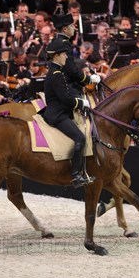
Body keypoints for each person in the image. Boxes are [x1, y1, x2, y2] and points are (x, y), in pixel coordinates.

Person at [42, 37, 94, 188]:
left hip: (61, 111)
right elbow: (65, 98)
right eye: (64, 54)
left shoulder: (58, 71)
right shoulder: (56, 74)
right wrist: (80, 103)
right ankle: (76, 175)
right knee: (80, 139)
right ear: (57, 55)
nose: (67, 56)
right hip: (57, 114)